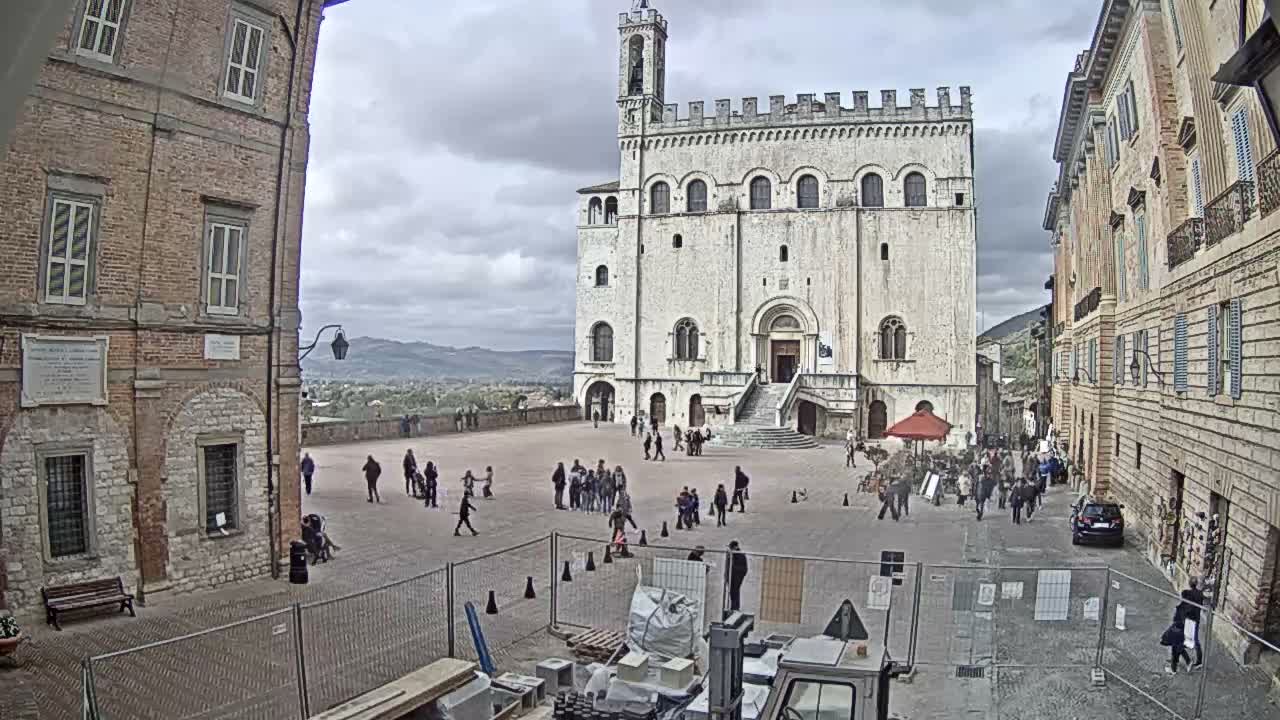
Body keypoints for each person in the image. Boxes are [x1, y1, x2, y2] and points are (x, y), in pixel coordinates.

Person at [1178, 578, 1206, 669]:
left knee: (1183, 637)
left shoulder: (1186, 593)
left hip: (1189, 619)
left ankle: (1182, 657)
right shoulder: (1200, 594)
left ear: (1190, 584)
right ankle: (1199, 661)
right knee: (1195, 639)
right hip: (1196, 618)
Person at [727, 541, 748, 613]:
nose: (730, 549)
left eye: (731, 548)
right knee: (734, 591)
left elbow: (735, 567)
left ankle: (734, 607)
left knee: (734, 591)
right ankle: (735, 607)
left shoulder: (738, 555)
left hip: (736, 576)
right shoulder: (737, 554)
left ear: (734, 547)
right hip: (735, 576)